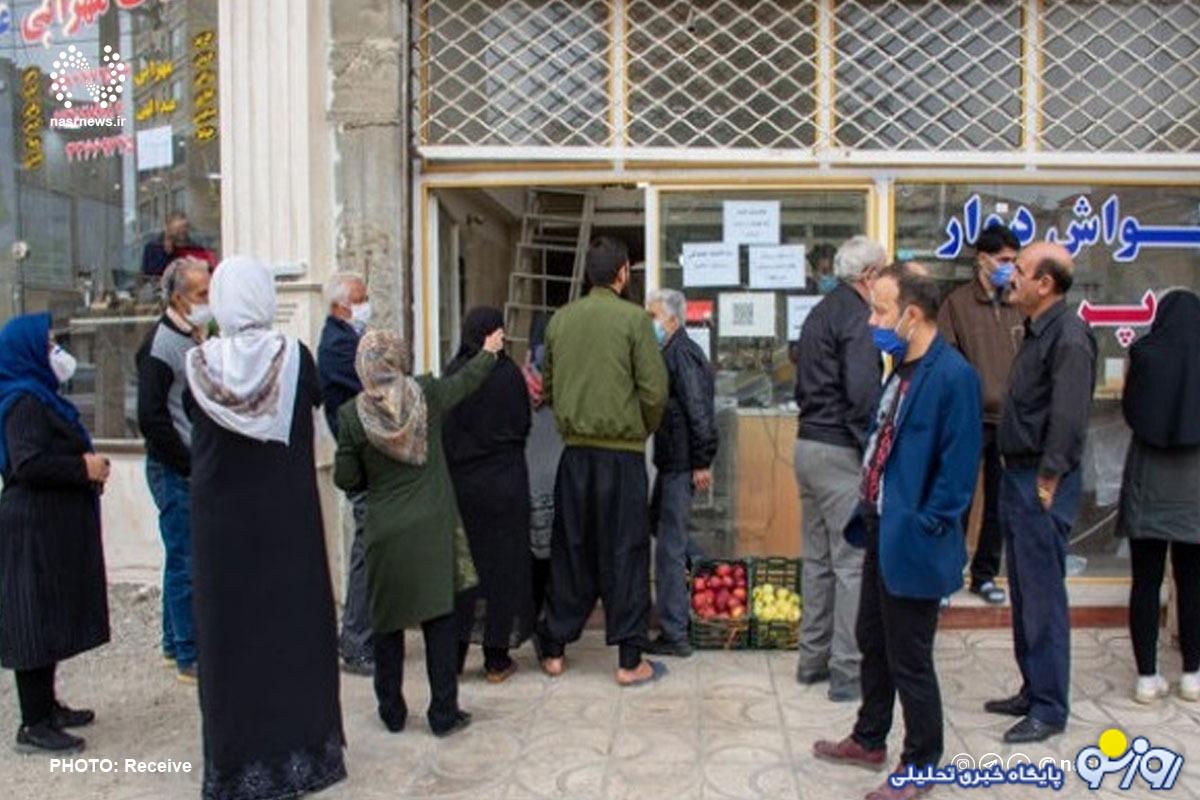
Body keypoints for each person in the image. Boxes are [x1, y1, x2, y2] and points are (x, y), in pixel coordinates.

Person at [813, 263, 982, 800]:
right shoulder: (899, 367)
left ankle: (921, 764)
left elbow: (958, 472)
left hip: (915, 540)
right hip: (880, 530)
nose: (871, 320)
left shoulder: (952, 375)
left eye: (881, 310)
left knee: (911, 658)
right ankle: (869, 738)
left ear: (912, 315)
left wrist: (927, 524)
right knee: (873, 641)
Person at [186, 256, 346, 799]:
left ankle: (236, 763)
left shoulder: (197, 366)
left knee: (231, 642)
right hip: (285, 524)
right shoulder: (294, 359)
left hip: (221, 530)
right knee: (292, 635)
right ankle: (302, 756)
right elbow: (321, 408)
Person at [335, 327, 503, 736]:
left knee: (387, 624)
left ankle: (392, 711)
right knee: (439, 619)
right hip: (431, 524)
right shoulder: (425, 394)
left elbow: (346, 477)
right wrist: (488, 353)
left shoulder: (350, 415)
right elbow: (464, 383)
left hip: (384, 530)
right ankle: (443, 712)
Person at [537, 236, 669, 687]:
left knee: (570, 548)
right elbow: (655, 391)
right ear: (622, 274)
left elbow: (549, 387)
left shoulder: (561, 320)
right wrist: (639, 426)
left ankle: (553, 648)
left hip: (574, 456)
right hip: (622, 456)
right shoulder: (635, 321)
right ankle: (630, 660)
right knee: (626, 550)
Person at [985, 242, 1097, 744]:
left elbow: (1069, 415)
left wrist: (1050, 475)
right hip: (1018, 475)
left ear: (1045, 284)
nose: (1011, 275)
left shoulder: (1068, 336)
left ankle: (1049, 707)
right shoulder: (1036, 330)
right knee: (1025, 589)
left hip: (1040, 481)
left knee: (1044, 594)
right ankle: (1032, 688)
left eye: (1021, 269)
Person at [0, 313, 110, 753]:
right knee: (33, 617)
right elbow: (27, 463)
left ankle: (48, 707)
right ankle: (33, 723)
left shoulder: (41, 396)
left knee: (51, 613)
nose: (56, 353)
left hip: (51, 522)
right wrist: (81, 468)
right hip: (32, 525)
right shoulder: (23, 400)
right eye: (47, 346)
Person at [792, 234, 889, 702]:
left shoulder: (819, 311)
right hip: (838, 451)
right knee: (851, 561)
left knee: (818, 560)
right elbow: (863, 393)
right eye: (884, 274)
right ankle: (848, 672)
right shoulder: (856, 317)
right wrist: (871, 447)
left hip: (807, 444)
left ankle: (812, 660)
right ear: (869, 277)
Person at [1116, 288, 1200, 704]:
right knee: (1193, 582)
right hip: (1195, 485)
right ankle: (1192, 675)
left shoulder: (1144, 352)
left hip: (1148, 479)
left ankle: (1147, 677)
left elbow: (1130, 410)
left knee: (1146, 582)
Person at [444, 306, 535, 682]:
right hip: (505, 486)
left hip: (463, 487)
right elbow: (523, 424)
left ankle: (454, 654)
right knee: (503, 570)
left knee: (464, 573)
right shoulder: (509, 376)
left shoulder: (453, 374)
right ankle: (496, 658)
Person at [936, 223, 1022, 606]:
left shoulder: (1020, 302)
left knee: (1001, 504)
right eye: (1004, 260)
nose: (1010, 268)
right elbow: (947, 360)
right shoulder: (957, 304)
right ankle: (949, 575)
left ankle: (984, 575)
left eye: (1015, 261)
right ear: (982, 259)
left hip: (1011, 422)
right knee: (960, 499)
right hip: (970, 419)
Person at [136, 257, 210, 685]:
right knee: (186, 559)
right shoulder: (160, 346)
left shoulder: (192, 334)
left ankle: (171, 642)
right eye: (201, 295)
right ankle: (189, 653)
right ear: (178, 298)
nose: (208, 302)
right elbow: (151, 417)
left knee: (179, 554)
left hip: (185, 462)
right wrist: (185, 463)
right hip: (173, 468)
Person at [644, 288, 718, 659]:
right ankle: (709, 576)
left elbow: (699, 413)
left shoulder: (681, 355)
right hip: (672, 460)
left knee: (669, 549)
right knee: (662, 531)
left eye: (653, 316)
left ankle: (675, 631)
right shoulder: (671, 352)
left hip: (681, 464)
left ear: (672, 320)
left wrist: (702, 461)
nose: (650, 323)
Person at [317, 271, 374, 676]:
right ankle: (355, 642)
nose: (367, 303)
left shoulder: (348, 339)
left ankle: (365, 635)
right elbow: (377, 385)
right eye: (361, 298)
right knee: (366, 550)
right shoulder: (339, 346)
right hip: (360, 459)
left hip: (366, 456)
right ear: (341, 305)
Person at [522, 315, 564, 632]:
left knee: (533, 562)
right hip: (560, 483)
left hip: (528, 482)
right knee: (558, 562)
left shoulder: (518, 382)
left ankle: (531, 621)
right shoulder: (568, 382)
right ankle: (552, 631)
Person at [142, 211, 197, 276]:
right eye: (178, 229)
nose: (183, 231)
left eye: (185, 227)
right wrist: (166, 254)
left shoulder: (193, 247)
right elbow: (149, 273)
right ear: (168, 229)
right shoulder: (153, 247)